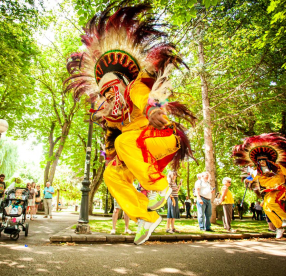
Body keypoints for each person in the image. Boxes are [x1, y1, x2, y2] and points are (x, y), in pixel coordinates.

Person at [65, 3, 196, 245]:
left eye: (111, 89)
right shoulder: (112, 120)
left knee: (126, 140)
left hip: (161, 136)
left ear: (122, 83)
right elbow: (113, 149)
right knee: (111, 174)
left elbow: (145, 99)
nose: (107, 96)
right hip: (135, 149)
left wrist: (152, 110)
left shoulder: (135, 88)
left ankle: (159, 185)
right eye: (103, 92)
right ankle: (145, 215)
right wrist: (107, 127)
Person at [232, 133, 286, 239]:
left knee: (270, 203)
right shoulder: (258, 171)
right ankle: (279, 227)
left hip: (278, 188)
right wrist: (247, 181)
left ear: (268, 160)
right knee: (266, 209)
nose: (261, 162)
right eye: (259, 160)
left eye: (263, 160)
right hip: (267, 191)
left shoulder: (278, 167)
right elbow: (251, 177)